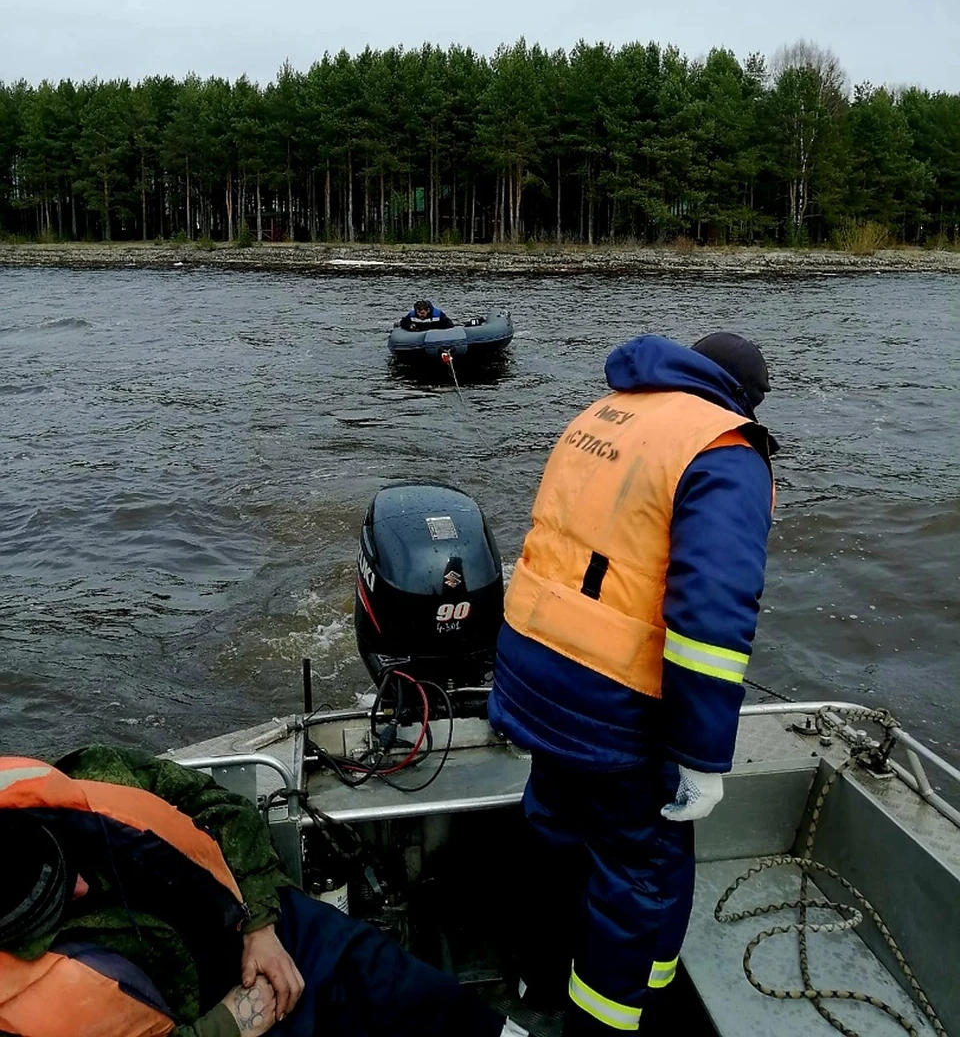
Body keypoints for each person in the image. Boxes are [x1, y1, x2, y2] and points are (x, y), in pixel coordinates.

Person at [488, 332, 776, 1036]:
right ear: (744, 398)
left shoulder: (606, 412)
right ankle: (606, 1021)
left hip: (533, 668)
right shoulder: (722, 448)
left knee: (554, 825)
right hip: (612, 699)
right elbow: (710, 622)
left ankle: (541, 974)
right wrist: (703, 758)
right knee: (638, 872)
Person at [0, 744, 512, 1037]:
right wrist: (231, 1023)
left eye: (61, 869)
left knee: (402, 987)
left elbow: (221, 807)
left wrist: (260, 924)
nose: (83, 887)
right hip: (204, 1019)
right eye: (43, 907)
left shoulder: (84, 777)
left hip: (252, 928)